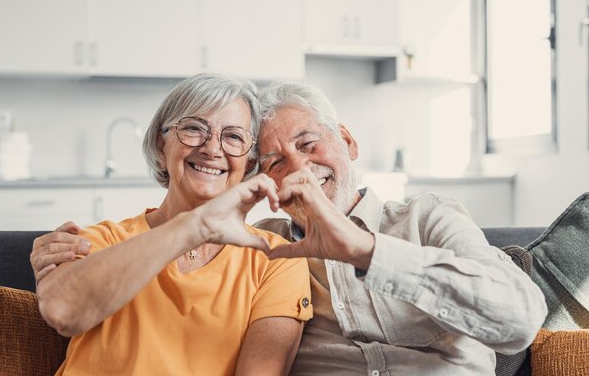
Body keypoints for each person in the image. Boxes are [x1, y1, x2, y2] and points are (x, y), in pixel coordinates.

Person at [33, 80, 547, 375]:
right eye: (274, 161)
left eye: (307, 143)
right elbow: (66, 306)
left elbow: (519, 320)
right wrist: (192, 228)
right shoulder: (271, 248)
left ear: (346, 141)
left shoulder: (424, 218)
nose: (298, 168)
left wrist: (366, 250)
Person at [34, 73, 313, 376]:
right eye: (193, 128)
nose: (212, 148)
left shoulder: (276, 260)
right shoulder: (104, 240)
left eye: (233, 136)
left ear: (249, 161)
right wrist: (194, 227)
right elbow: (63, 311)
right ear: (160, 143)